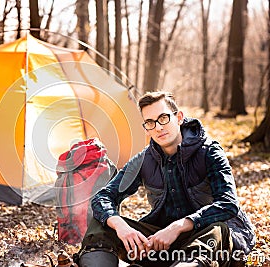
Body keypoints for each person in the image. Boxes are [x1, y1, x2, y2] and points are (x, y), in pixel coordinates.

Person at [75, 91, 256, 267]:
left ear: (179, 118)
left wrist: (178, 226)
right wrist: (121, 226)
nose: (158, 127)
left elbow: (228, 204)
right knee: (102, 223)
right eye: (150, 123)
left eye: (163, 118)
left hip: (211, 240)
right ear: (146, 128)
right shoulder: (143, 160)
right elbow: (103, 197)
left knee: (217, 229)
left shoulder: (210, 151)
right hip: (164, 243)